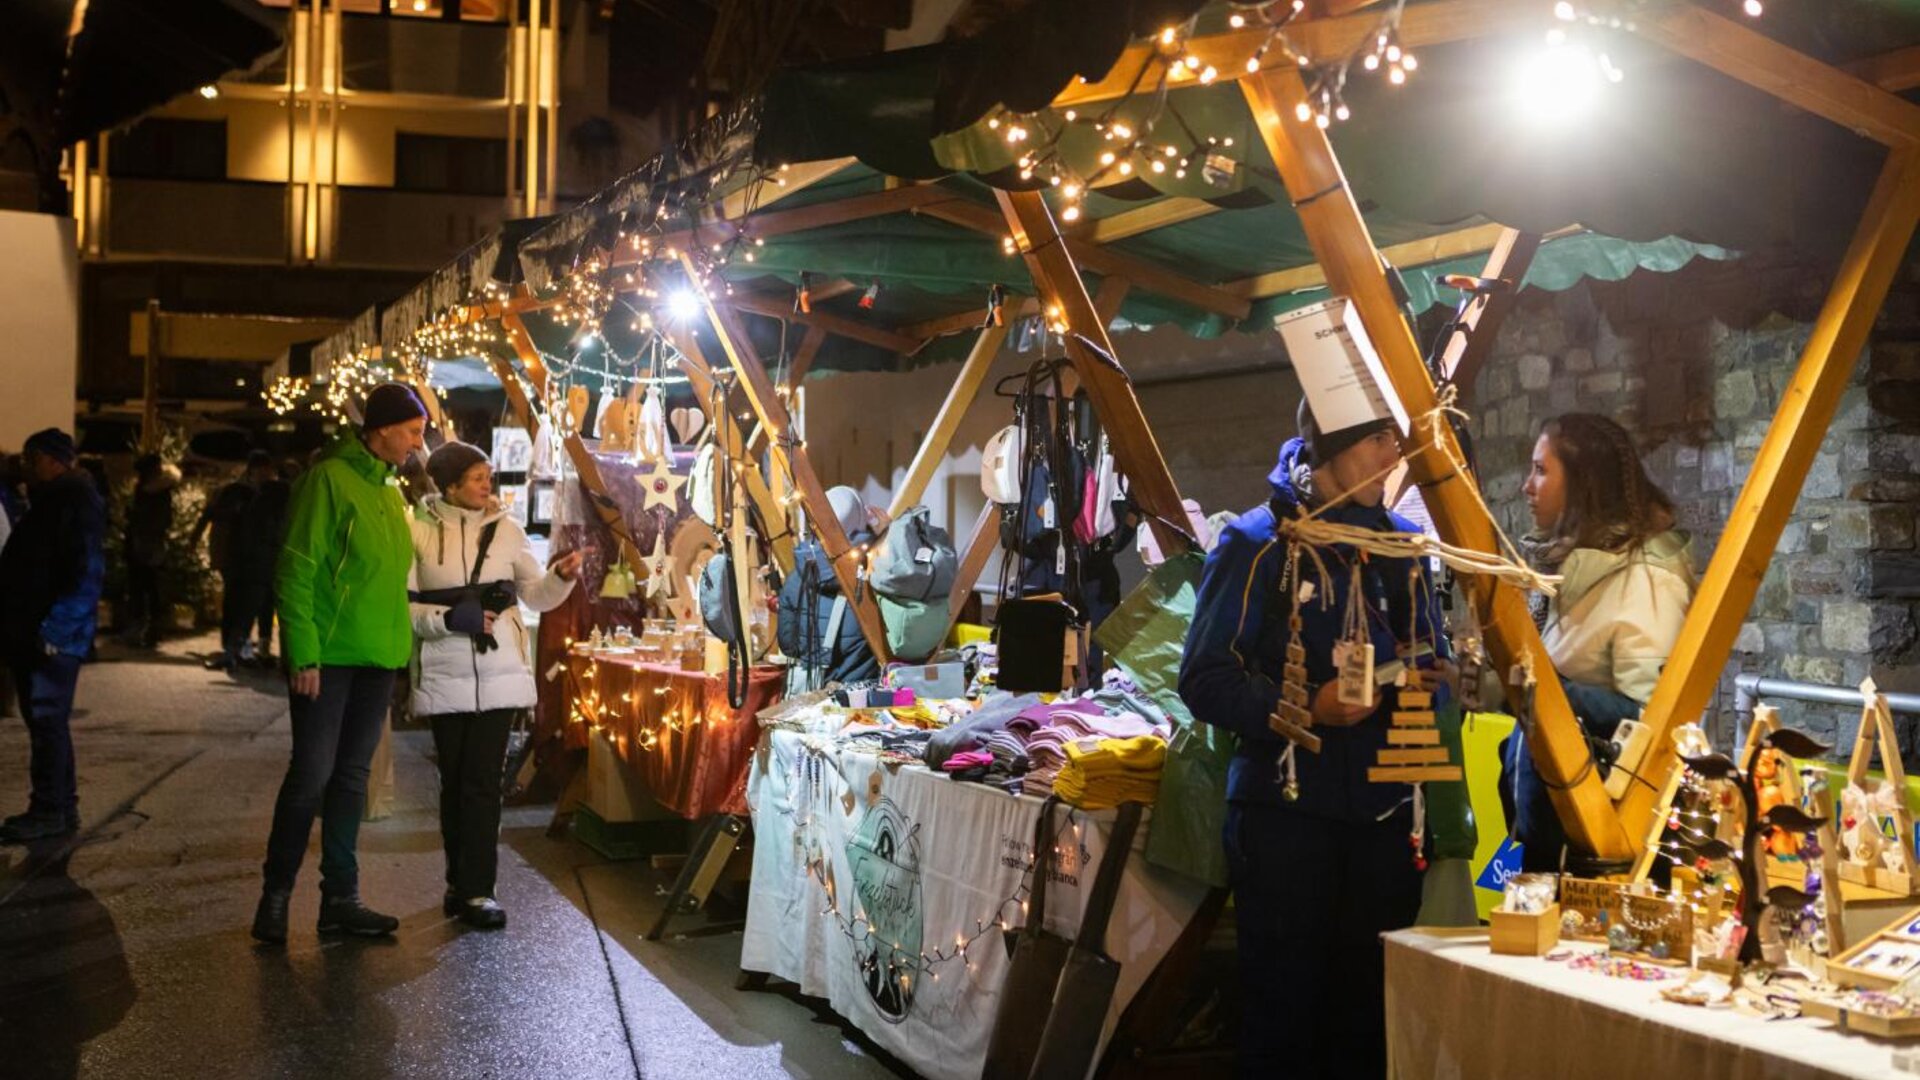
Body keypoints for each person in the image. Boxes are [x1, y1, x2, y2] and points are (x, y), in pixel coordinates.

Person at [1179, 400, 1446, 1078]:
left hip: (1386, 819)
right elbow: (1205, 678)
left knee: (1369, 1019)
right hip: (1284, 819)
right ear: (1330, 450)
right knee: (1284, 1017)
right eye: (1378, 442)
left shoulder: (1400, 548)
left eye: (1395, 442)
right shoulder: (1256, 542)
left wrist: (1427, 681)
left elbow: (1430, 664)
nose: (1392, 460)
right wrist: (1304, 705)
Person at [253, 383, 427, 944]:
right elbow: (296, 568)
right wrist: (302, 652)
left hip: (378, 658)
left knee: (352, 780)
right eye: (412, 432)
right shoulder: (328, 480)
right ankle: (275, 896)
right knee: (311, 777)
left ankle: (341, 898)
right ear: (380, 430)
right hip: (326, 659)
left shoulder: (388, 491)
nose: (418, 445)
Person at [1501, 413, 1695, 873]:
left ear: (1583, 484)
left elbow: (1654, 724)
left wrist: (1547, 694)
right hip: (1560, 828)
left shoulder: (1648, 581)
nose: (1527, 485)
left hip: (1602, 846)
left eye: (1542, 470)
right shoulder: (1573, 571)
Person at [407, 441, 580, 929]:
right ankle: (457, 882)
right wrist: (451, 619)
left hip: (499, 676)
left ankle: (480, 890)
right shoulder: (416, 530)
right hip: (444, 675)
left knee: (484, 785)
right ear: (451, 484)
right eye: (479, 478)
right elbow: (406, 608)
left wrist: (560, 577)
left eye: (489, 476)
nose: (489, 485)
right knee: (455, 784)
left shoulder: (508, 530)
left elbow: (537, 597)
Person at [0, 429, 105, 843]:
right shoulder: (60, 499)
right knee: (48, 722)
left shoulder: (70, 501)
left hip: (51, 635)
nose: (26, 466)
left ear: (52, 460)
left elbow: (85, 571)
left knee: (46, 720)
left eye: (32, 457)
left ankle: (49, 809)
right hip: (43, 631)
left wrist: (56, 629)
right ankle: (60, 804)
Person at [778, 486, 882, 688]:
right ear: (860, 520)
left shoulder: (795, 579)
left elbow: (789, 646)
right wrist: (883, 534)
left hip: (812, 697)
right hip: (860, 696)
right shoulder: (874, 573)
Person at [198, 451, 281, 671]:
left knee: (246, 606)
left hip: (252, 562)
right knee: (249, 606)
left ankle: (235, 651)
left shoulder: (254, 496)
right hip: (255, 562)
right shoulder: (250, 495)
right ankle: (238, 650)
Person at [123, 452, 179, 647]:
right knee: (151, 586)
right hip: (150, 541)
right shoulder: (156, 490)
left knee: (144, 586)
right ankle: (151, 629)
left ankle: (147, 629)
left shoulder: (151, 491)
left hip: (146, 541)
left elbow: (155, 518)